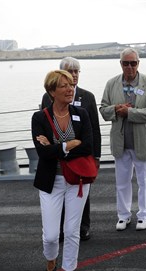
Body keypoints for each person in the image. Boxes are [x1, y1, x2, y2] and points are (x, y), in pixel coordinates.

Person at [32, 70, 93, 271]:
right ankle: (51, 260)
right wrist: (69, 145)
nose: (70, 89)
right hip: (51, 181)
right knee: (50, 235)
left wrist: (56, 147)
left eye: (71, 85)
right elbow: (43, 152)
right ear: (51, 91)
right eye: (63, 86)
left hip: (77, 180)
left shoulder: (82, 114)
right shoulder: (39, 118)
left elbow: (88, 146)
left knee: (71, 229)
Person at [41, 57, 101, 241]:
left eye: (76, 71)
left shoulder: (88, 96)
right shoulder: (47, 98)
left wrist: (96, 156)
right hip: (58, 159)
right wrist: (61, 148)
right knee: (59, 194)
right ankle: (60, 228)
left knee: (82, 191)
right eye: (70, 71)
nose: (74, 75)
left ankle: (83, 226)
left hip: (82, 156)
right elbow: (46, 129)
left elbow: (94, 130)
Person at [99, 48, 146, 231]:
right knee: (122, 182)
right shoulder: (111, 84)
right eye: (126, 63)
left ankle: (144, 215)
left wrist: (130, 112)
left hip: (142, 141)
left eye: (133, 63)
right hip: (121, 142)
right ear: (121, 64)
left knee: (144, 181)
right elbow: (103, 110)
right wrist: (117, 109)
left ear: (138, 63)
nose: (130, 67)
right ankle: (123, 215)